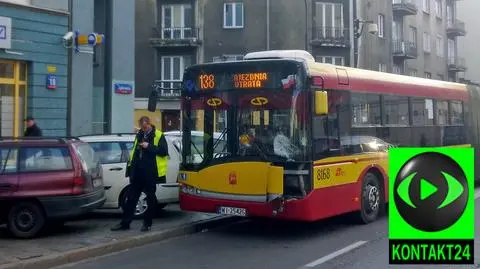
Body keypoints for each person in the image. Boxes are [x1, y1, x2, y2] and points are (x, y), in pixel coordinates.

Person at [111, 116, 169, 232]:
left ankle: (147, 224)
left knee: (150, 199)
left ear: (149, 124)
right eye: (142, 127)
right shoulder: (139, 135)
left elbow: (163, 152)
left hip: (151, 172)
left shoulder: (158, 135)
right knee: (131, 198)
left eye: (145, 126)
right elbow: (134, 153)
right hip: (138, 172)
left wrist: (149, 146)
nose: (144, 128)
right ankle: (125, 223)